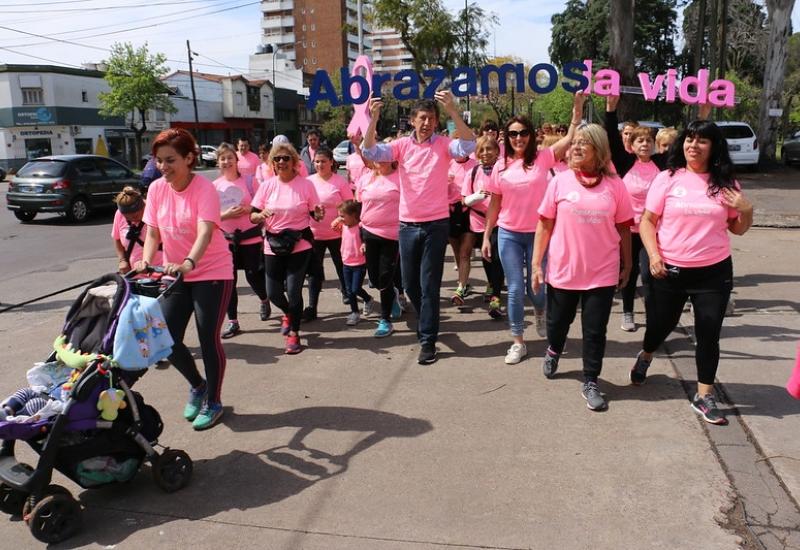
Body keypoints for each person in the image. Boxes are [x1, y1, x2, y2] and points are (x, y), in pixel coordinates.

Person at [633, 120, 753, 425]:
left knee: (708, 333)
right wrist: (654, 256)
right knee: (661, 325)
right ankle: (647, 354)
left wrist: (746, 209)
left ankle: (704, 396)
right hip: (670, 269)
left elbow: (737, 229)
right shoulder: (668, 178)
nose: (693, 145)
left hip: (713, 272)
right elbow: (647, 221)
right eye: (689, 139)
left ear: (713, 147)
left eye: (701, 141)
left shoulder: (725, 183)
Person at [362, 91, 476, 365]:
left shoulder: (444, 145)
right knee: (412, 285)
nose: (427, 123)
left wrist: (452, 110)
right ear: (412, 120)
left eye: (432, 118)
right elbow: (370, 151)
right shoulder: (401, 146)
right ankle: (426, 319)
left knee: (429, 285)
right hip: (407, 226)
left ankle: (428, 340)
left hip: (436, 225)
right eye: (422, 118)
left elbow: (469, 144)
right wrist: (373, 119)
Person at [135, 128, 234, 431]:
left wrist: (190, 261)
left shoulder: (204, 189)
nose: (163, 167)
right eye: (159, 160)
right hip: (176, 273)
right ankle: (197, 385)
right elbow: (152, 231)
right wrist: (146, 261)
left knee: (207, 340)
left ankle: (214, 401)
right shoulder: (156, 189)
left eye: (170, 160)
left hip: (212, 272)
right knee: (165, 339)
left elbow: (205, 231)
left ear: (189, 158)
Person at [532, 123, 634, 411]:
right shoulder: (559, 182)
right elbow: (544, 225)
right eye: (574, 142)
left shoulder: (615, 186)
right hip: (564, 270)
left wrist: (626, 265)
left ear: (598, 151)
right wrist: (537, 265)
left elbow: (625, 228)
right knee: (558, 323)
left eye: (583, 144)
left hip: (601, 272)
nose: (575, 148)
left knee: (594, 331)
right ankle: (553, 349)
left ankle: (590, 380)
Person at [481, 93, 585, 365]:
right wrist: (486, 236)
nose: (518, 138)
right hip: (509, 234)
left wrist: (576, 114)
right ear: (507, 137)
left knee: (536, 288)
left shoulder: (543, 158)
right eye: (513, 134)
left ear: (530, 135)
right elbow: (494, 202)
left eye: (523, 133)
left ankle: (540, 312)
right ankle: (517, 341)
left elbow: (570, 139)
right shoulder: (500, 167)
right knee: (515, 288)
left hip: (541, 234)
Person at [250, 142, 324, 355]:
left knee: (293, 291)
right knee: (273, 293)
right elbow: (252, 215)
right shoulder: (267, 186)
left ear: (294, 162)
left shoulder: (306, 185)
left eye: (285, 158)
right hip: (272, 245)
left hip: (299, 243)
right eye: (277, 159)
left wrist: (319, 214)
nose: (281, 162)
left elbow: (315, 214)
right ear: (272, 163)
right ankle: (289, 314)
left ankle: (294, 332)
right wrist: (260, 215)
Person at [213, 142, 271, 339]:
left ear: (237, 161)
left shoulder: (249, 181)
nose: (227, 161)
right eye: (223, 159)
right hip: (226, 240)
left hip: (250, 237)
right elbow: (210, 216)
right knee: (229, 282)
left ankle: (264, 299)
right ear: (218, 163)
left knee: (253, 275)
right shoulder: (214, 186)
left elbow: (262, 206)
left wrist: (249, 210)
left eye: (230, 158)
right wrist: (226, 214)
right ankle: (233, 321)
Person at [304, 147, 354, 321]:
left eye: (323, 161)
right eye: (317, 161)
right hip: (314, 235)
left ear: (331, 162)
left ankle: (347, 293)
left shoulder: (339, 182)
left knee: (342, 267)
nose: (320, 164)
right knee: (314, 273)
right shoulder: (308, 182)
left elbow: (349, 205)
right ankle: (312, 307)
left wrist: (341, 219)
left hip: (337, 234)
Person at [357, 160, 402, 337]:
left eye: (384, 157)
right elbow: (359, 205)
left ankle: (385, 320)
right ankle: (393, 293)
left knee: (384, 277)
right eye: (377, 157)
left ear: (392, 160)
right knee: (375, 279)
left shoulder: (400, 178)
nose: (380, 161)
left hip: (392, 234)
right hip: (369, 233)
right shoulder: (365, 179)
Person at [462, 135, 504, 318]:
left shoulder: (504, 170)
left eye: (489, 149)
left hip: (500, 221)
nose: (485, 153)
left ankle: (495, 298)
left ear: (497, 151)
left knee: (497, 259)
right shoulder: (472, 172)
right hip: (478, 222)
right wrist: (474, 198)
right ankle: (492, 286)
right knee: (487, 259)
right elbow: (464, 199)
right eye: (482, 150)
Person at [337, 199, 374, 326]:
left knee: (355, 288)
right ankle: (354, 312)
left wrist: (364, 245)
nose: (340, 218)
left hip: (359, 263)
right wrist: (336, 222)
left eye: (343, 216)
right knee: (349, 290)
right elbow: (335, 229)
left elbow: (365, 239)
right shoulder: (343, 226)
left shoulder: (360, 227)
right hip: (346, 263)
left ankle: (368, 299)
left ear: (353, 215)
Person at [448, 152, 477, 304]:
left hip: (469, 209)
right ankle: (464, 282)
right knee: (458, 252)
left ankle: (460, 288)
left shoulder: (475, 164)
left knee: (465, 252)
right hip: (450, 210)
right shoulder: (447, 163)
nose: (460, 152)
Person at [112, 186, 162, 274]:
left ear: (143, 207)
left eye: (135, 216)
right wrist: (122, 260)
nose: (132, 219)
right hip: (134, 274)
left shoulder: (155, 211)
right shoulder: (119, 214)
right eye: (127, 217)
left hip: (160, 271)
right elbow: (117, 238)